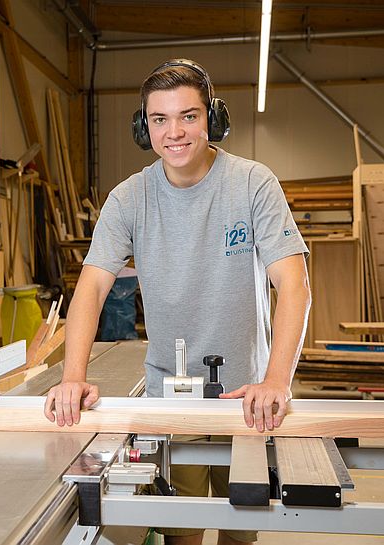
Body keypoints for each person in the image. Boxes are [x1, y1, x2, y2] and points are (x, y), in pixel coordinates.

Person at [43, 59, 311, 545]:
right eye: (160, 120)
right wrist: (72, 377)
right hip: (172, 397)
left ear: (213, 118)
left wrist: (276, 381)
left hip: (248, 401)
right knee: (179, 532)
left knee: (240, 530)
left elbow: (294, 285)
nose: (175, 133)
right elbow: (92, 287)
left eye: (188, 116)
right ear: (144, 128)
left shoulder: (253, 183)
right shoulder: (129, 199)